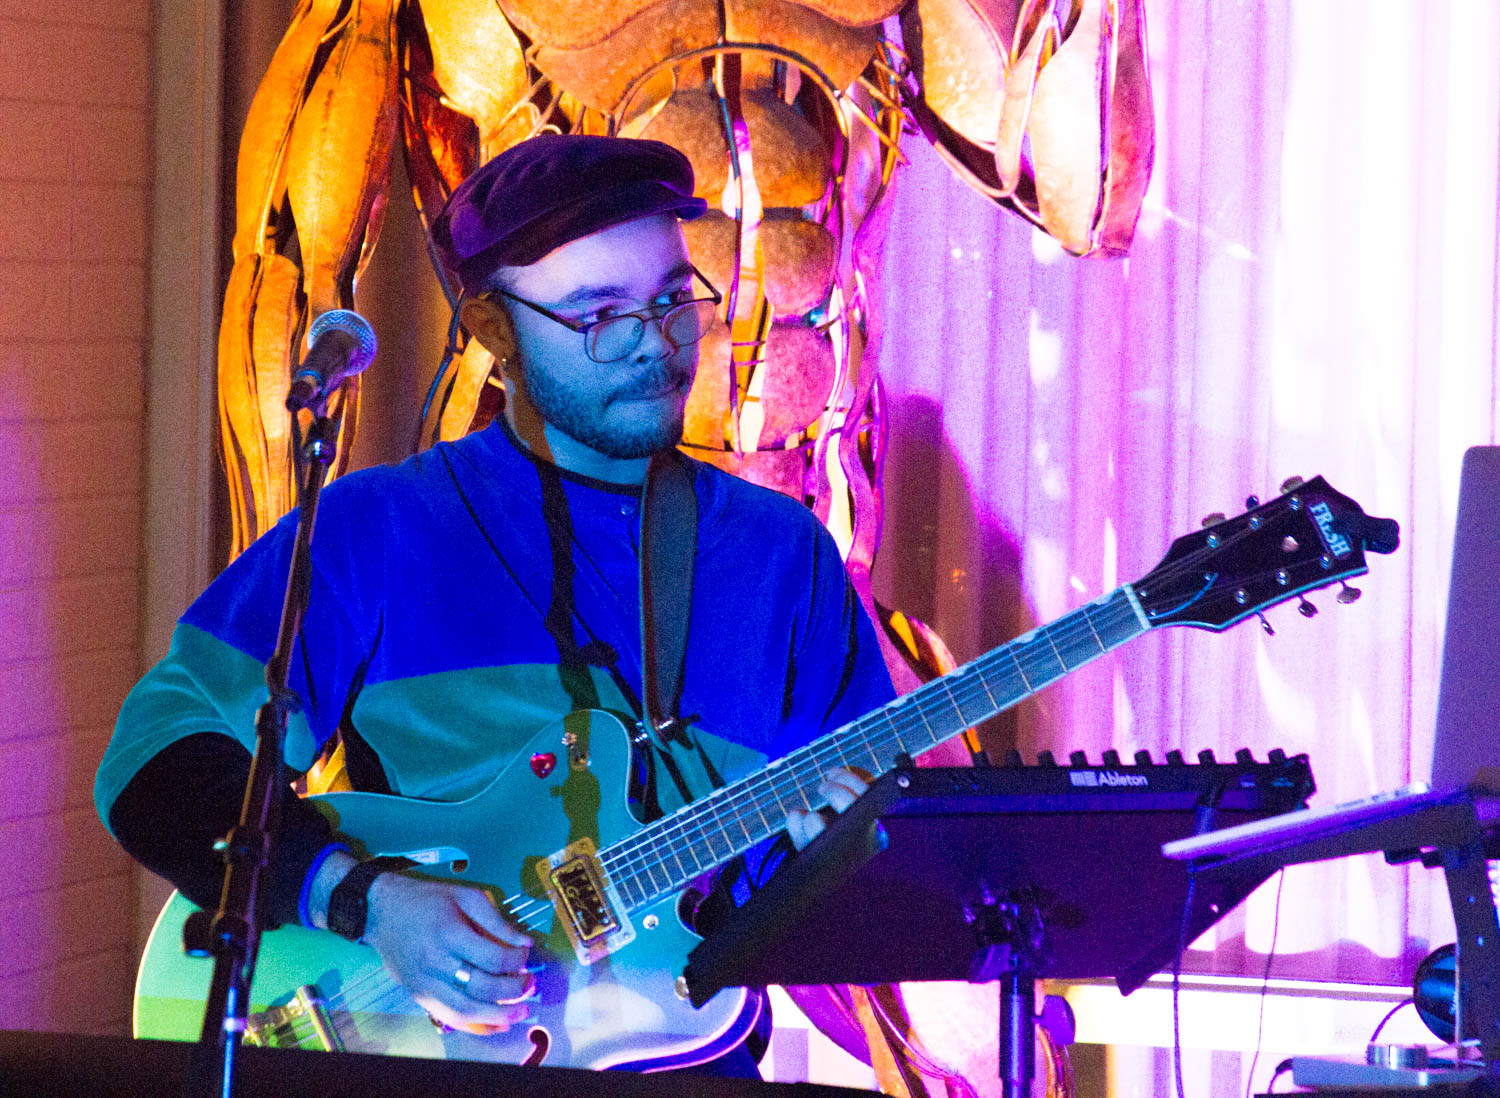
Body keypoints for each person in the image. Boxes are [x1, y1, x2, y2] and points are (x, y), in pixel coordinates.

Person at [95, 134, 895, 1074]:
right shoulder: (379, 529)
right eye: (600, 314)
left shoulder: (782, 555)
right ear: (493, 332)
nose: (654, 342)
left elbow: (845, 897)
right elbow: (153, 760)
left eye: (675, 299)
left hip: (689, 1057)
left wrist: (824, 864)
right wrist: (365, 900)